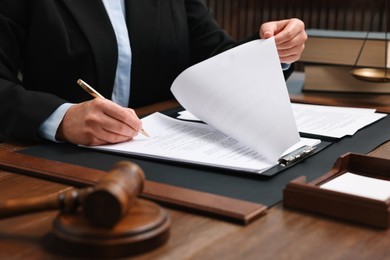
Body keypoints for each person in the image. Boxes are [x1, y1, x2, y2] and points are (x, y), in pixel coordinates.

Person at [0, 0, 307, 146]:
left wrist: (272, 50)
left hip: (163, 153)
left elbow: (217, 59)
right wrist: (62, 118)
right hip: (60, 162)